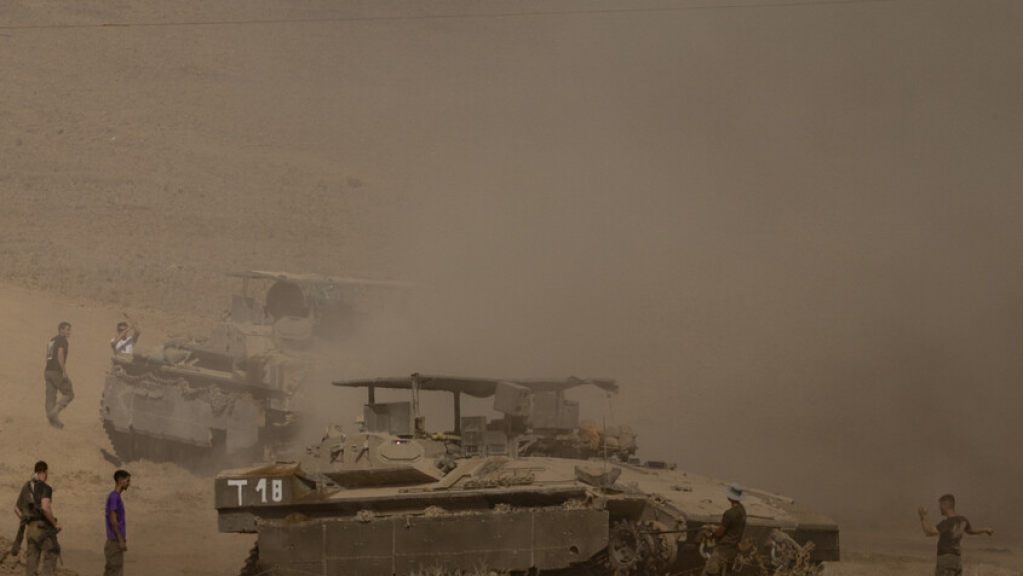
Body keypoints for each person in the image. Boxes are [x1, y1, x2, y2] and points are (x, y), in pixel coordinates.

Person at [919, 494, 994, 576]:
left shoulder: (946, 523)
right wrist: (986, 529)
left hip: (945, 559)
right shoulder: (963, 521)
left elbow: (929, 532)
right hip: (957, 560)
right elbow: (971, 531)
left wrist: (922, 517)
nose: (940, 508)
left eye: (940, 505)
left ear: (944, 505)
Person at [23, 461, 62, 576]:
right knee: (52, 553)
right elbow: (45, 508)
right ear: (46, 471)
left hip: (30, 528)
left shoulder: (28, 489)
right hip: (42, 528)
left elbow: (20, 509)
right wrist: (55, 524)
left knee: (31, 560)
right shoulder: (46, 488)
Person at [702, 482, 748, 575]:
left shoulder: (729, 513)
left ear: (730, 497)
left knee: (708, 573)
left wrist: (710, 532)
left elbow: (720, 533)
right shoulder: (742, 510)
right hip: (733, 551)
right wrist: (713, 527)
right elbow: (731, 528)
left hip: (722, 551)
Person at [9, 462, 44, 558]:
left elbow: (16, 509)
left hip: (28, 526)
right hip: (37, 528)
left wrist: (24, 518)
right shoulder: (40, 488)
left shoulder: (27, 485)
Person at [44, 321, 74, 429]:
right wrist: (64, 371)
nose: (69, 332)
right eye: (68, 330)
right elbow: (60, 354)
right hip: (56, 371)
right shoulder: (63, 340)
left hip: (48, 370)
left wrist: (48, 369)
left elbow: (48, 355)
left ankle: (53, 422)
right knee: (69, 393)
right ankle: (54, 413)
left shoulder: (52, 340)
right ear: (61, 330)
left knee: (50, 396)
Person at [104, 469, 132, 576]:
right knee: (115, 572)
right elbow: (113, 520)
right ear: (120, 480)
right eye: (127, 481)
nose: (129, 484)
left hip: (114, 542)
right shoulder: (114, 497)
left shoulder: (115, 497)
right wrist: (120, 540)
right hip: (114, 542)